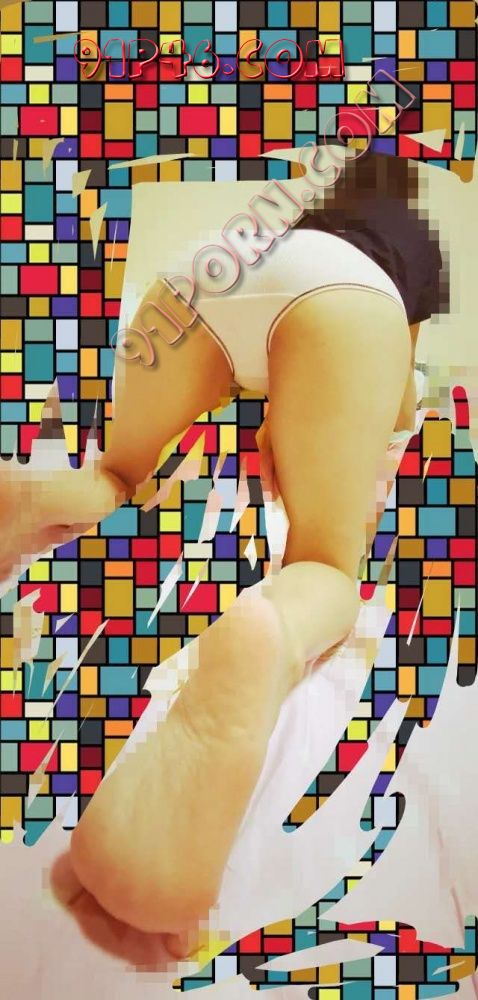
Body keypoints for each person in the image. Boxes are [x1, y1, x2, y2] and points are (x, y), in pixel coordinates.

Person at [1, 150, 447, 956]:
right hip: (346, 303)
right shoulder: (413, 247)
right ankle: (268, 636)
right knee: (322, 567)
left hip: (209, 271)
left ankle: (35, 494)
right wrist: (333, 416)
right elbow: (393, 401)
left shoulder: (297, 205)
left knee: (116, 478)